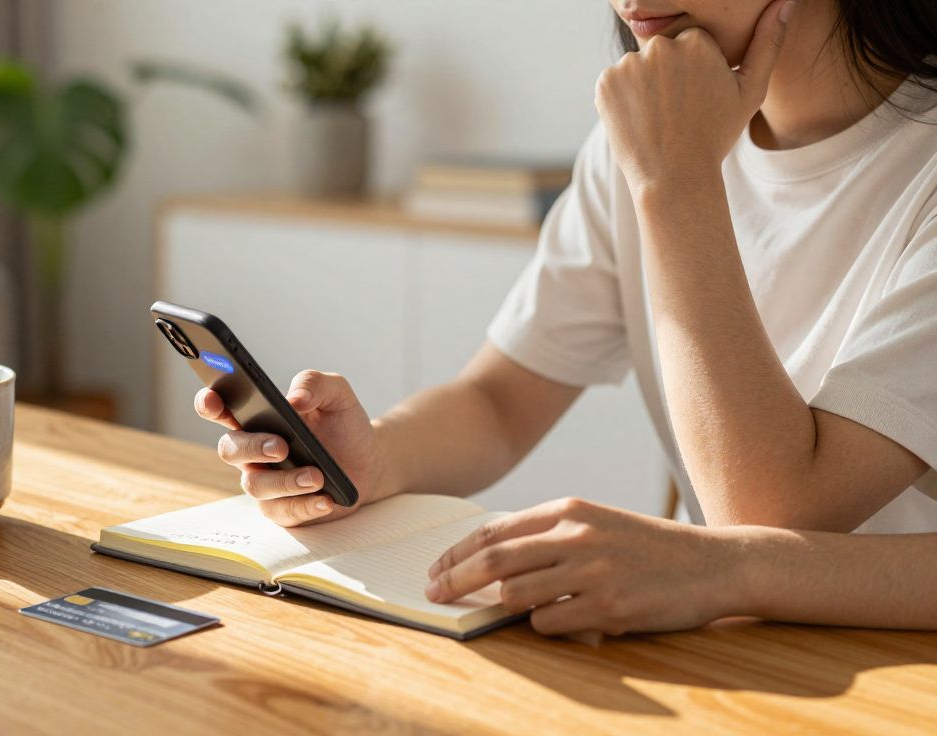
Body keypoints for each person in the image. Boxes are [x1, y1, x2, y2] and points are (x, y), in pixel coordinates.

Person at [194, 0, 937, 637]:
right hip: (747, 657)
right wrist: (377, 456)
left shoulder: (669, 151)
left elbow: (766, 515)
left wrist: (676, 184)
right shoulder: (652, 138)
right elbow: (500, 400)